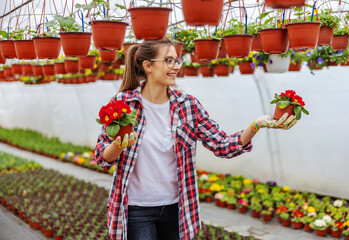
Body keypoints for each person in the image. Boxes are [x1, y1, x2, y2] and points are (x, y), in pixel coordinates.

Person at [95, 38, 297, 240]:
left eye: (177, 60)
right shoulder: (124, 103)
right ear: (148, 66)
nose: (176, 67)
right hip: (137, 208)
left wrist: (256, 125)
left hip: (177, 208)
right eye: (169, 61)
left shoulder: (188, 105)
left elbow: (223, 145)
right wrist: (118, 145)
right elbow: (102, 157)